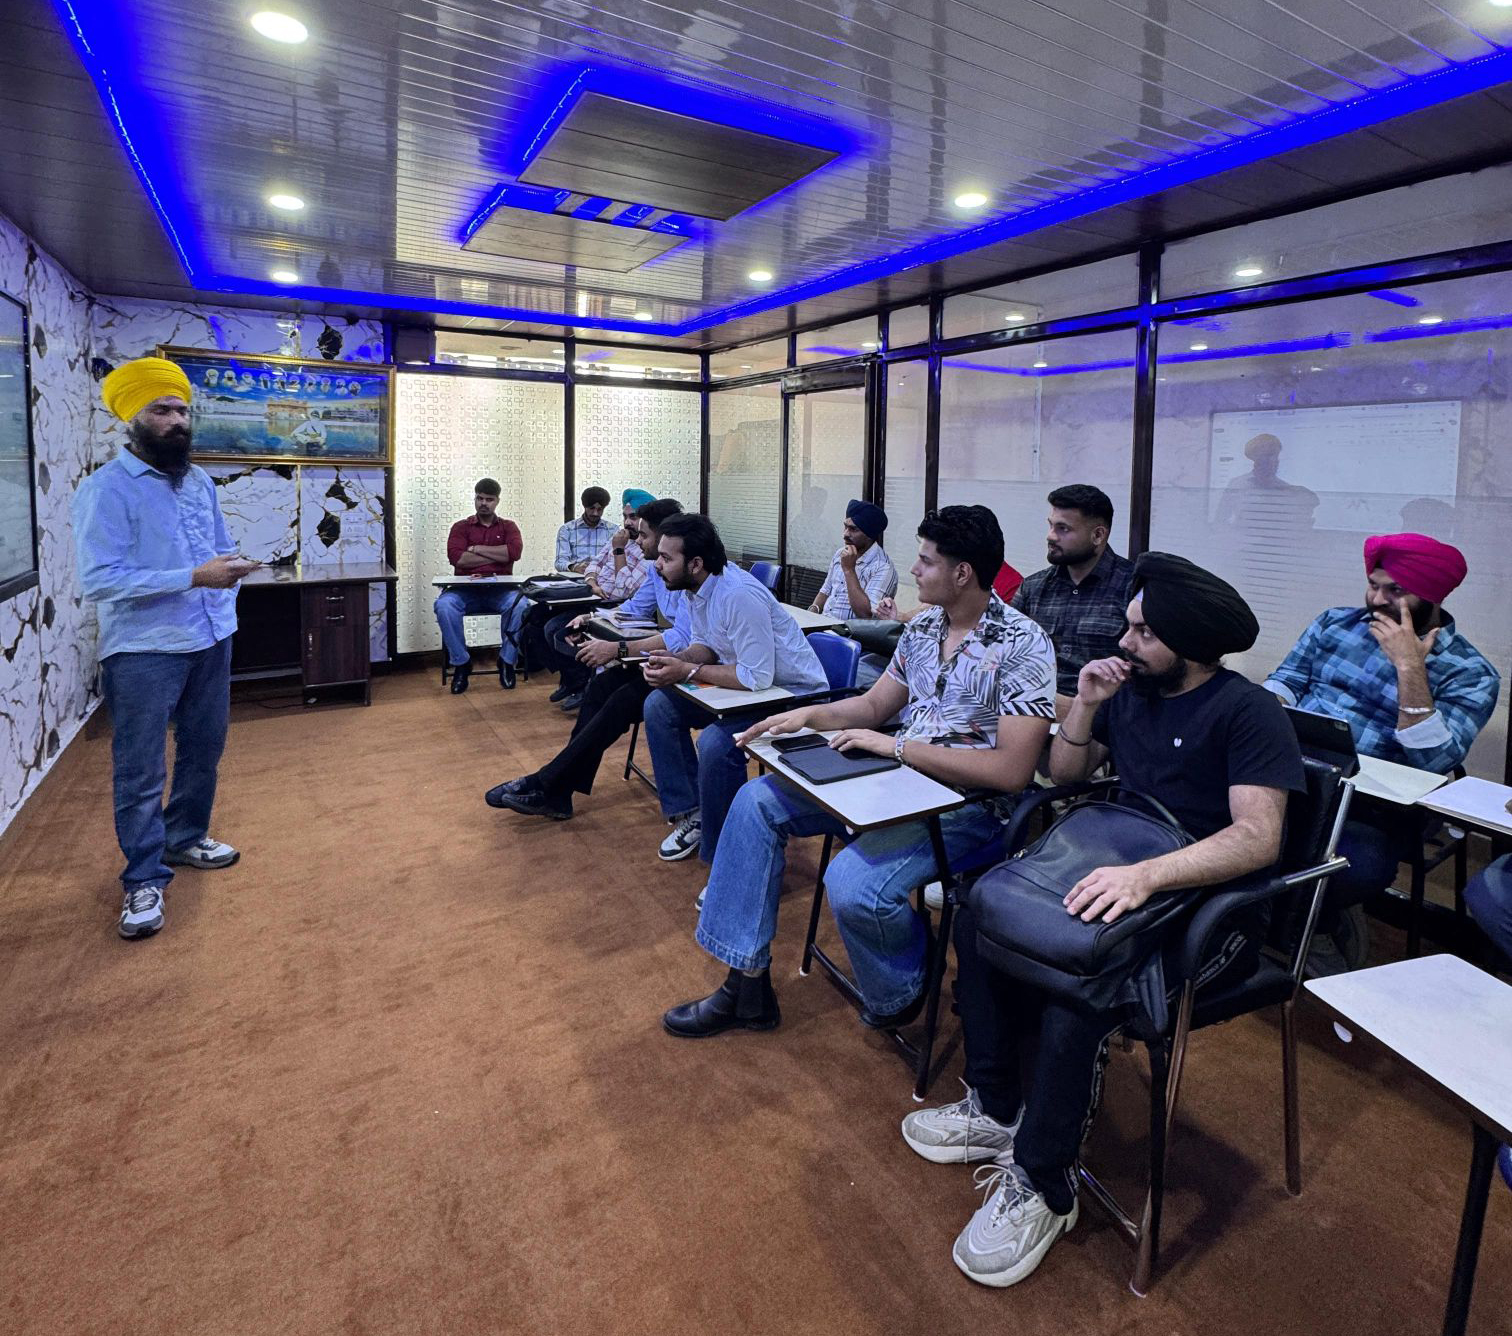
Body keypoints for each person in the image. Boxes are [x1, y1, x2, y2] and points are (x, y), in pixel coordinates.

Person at [903, 552, 1304, 1289]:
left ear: (1190, 644)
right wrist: (1085, 705)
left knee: (1080, 992)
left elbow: (1258, 838)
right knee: (978, 920)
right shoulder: (1132, 690)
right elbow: (1064, 775)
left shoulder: (1248, 712)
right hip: (1120, 872)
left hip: (1213, 914)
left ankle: (1044, 1185)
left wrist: (1148, 876)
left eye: (1144, 632)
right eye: (1129, 625)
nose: (1125, 642)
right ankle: (995, 1103)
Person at [661, 505, 1057, 1039]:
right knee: (756, 802)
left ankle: (904, 984)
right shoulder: (924, 628)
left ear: (963, 573)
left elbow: (1010, 772)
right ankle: (745, 987)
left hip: (970, 805)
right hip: (898, 775)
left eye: (926, 561)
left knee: (852, 884)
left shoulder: (1023, 643)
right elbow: (873, 707)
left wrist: (898, 749)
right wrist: (808, 715)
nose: (914, 569)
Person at [73, 356, 260, 941]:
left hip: (211, 635)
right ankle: (143, 879)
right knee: (141, 768)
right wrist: (193, 577)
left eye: (182, 410)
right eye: (162, 410)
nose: (177, 421)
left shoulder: (198, 481)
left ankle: (184, 838)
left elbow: (218, 548)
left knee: (204, 749)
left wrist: (233, 569)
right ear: (132, 419)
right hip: (144, 647)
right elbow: (98, 580)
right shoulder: (104, 489)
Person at [1263, 532, 1499, 968]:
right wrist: (1270, 708)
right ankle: (1274, 921)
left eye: (1396, 591)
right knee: (1228, 821)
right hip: (1297, 769)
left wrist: (1409, 665)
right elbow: (1288, 680)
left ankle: (1318, 922)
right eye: (1373, 585)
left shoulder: (1471, 673)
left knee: (1358, 866)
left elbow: (1435, 763)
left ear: (1431, 596)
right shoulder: (1334, 624)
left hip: (1378, 804)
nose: (1377, 599)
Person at [637, 513, 828, 866]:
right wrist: (678, 660)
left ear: (695, 564)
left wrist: (689, 670)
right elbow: (706, 645)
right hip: (751, 689)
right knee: (659, 706)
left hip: (793, 697)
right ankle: (693, 813)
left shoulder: (737, 595)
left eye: (666, 558)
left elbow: (757, 676)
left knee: (715, 743)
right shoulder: (694, 589)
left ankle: (723, 858)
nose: (657, 564)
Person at [485, 499, 688, 819]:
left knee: (621, 701)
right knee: (600, 687)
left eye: (643, 535)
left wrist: (617, 649)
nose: (637, 540)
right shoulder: (659, 569)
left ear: (666, 537)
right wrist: (591, 619)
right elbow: (633, 608)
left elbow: (682, 639)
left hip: (695, 668)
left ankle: (548, 783)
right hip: (674, 659)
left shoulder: (689, 576)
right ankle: (558, 791)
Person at [1011, 484, 1135, 714]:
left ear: (1098, 535)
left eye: (1063, 529)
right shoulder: (1034, 588)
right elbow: (1004, 656)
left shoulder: (1132, 588)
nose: (1050, 536)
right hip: (1031, 713)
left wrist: (1074, 707)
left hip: (1104, 719)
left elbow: (1144, 676)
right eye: (1051, 525)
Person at [545, 489, 654, 711]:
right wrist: (593, 582)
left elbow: (625, 589)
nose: (627, 522)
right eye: (625, 516)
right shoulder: (621, 538)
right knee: (549, 627)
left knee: (562, 631)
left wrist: (618, 550)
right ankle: (574, 682)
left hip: (616, 607)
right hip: (594, 597)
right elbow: (594, 564)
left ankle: (582, 687)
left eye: (633, 517)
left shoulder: (647, 550)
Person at [434, 479, 526, 692]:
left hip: (500, 590)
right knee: (444, 606)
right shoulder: (461, 527)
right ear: (475, 498)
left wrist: (474, 548)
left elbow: (514, 553)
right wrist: (498, 555)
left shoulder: (509, 527)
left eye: (489, 499)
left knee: (521, 605)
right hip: (464, 590)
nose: (484, 503)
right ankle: (461, 663)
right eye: (479, 498)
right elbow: (458, 559)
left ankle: (506, 661)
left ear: (497, 501)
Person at [809, 499, 898, 621]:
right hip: (823, 623)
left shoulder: (883, 567)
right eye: (845, 527)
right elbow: (826, 590)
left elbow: (866, 615)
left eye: (853, 529)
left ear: (869, 535)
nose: (845, 534)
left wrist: (849, 570)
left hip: (849, 631)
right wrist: (811, 614)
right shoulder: (840, 553)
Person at [1215, 433, 1319, 532]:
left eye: (1275, 455)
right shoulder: (1237, 484)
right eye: (1267, 455)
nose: (1273, 460)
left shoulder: (1286, 490)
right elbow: (1220, 520)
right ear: (1255, 458)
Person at [555, 485, 614, 573]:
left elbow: (615, 561)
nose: (595, 513)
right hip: (576, 577)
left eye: (600, 509)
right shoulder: (567, 530)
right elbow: (560, 562)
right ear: (584, 506)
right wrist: (574, 567)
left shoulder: (612, 530)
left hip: (602, 577)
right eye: (592, 508)